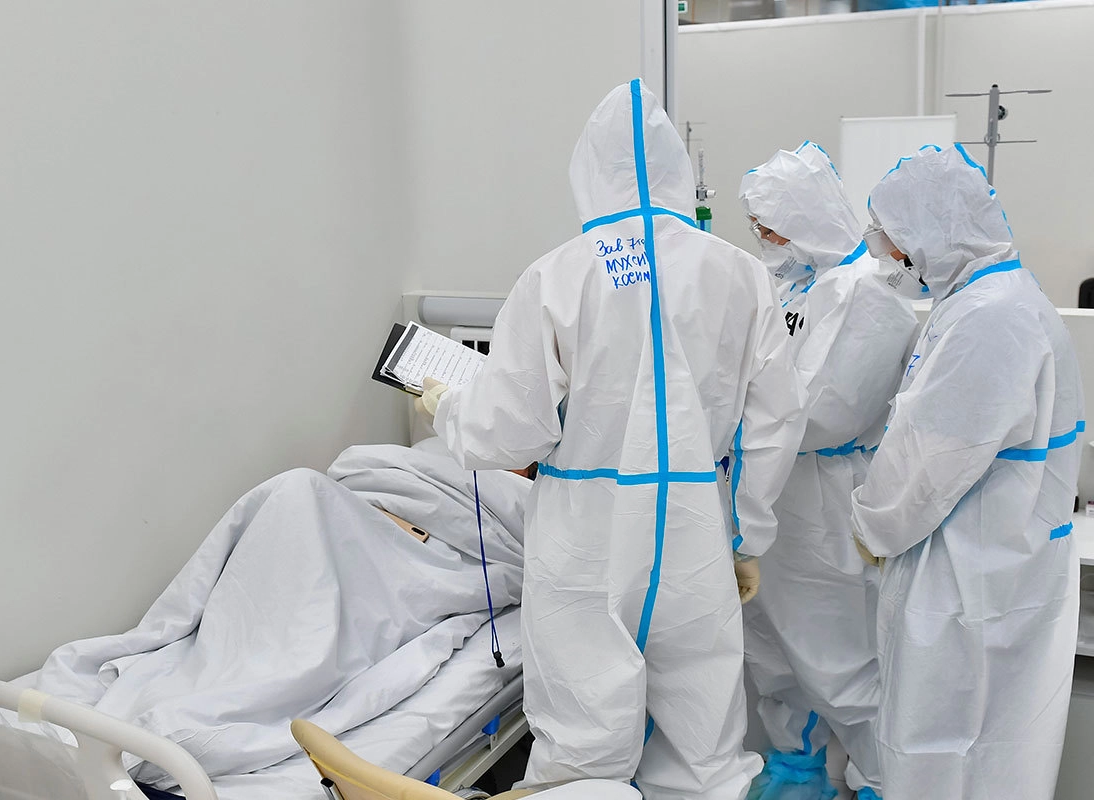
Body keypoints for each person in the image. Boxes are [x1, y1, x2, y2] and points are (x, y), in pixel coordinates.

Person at [418, 80, 806, 800]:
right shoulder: (742, 274)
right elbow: (775, 421)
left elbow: (507, 429)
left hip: (586, 537)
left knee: (582, 744)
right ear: (675, 169)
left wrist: (448, 409)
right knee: (705, 744)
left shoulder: (558, 274)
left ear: (589, 170)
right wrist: (746, 535)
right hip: (695, 530)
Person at [0, 437, 532, 799]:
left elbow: (512, 554)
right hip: (339, 509)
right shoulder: (426, 453)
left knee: (306, 646)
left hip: (423, 562)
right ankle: (202, 694)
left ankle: (210, 709)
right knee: (299, 488)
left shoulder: (536, 500)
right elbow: (351, 475)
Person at [852, 144, 1083, 799]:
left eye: (894, 238)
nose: (889, 255)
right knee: (984, 750)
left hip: (968, 578)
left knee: (945, 749)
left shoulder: (989, 317)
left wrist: (871, 525)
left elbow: (928, 464)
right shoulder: (993, 299)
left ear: (933, 229)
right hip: (992, 565)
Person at [736, 142, 918, 800]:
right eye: (758, 229)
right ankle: (795, 767)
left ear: (804, 216)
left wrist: (733, 409)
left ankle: (877, 782)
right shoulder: (792, 283)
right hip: (772, 493)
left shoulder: (869, 294)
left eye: (771, 227)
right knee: (773, 651)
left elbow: (823, 413)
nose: (764, 240)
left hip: (824, 500)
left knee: (838, 655)